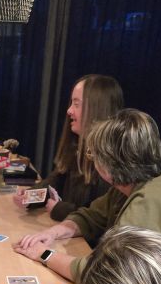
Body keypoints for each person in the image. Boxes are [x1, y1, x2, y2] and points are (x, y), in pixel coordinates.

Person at [14, 109, 161, 283]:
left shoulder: (151, 200)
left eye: (94, 154)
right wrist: (53, 233)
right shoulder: (135, 183)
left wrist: (45, 254)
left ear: (110, 162)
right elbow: (90, 217)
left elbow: (106, 274)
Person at [13, 74, 123, 224]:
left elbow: (99, 218)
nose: (69, 111)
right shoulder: (76, 146)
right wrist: (31, 195)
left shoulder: (111, 164)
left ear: (97, 109)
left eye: (76, 104)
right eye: (72, 103)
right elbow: (57, 179)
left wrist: (60, 210)